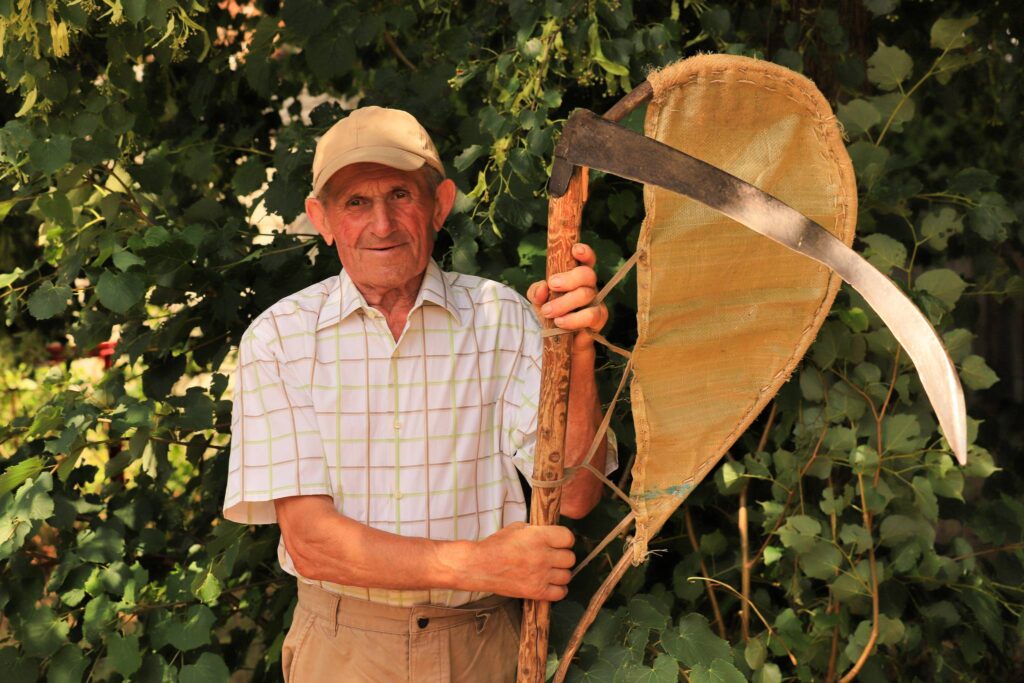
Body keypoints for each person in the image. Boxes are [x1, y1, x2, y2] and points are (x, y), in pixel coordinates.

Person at [222, 106, 614, 682]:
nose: (382, 224)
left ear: (440, 203)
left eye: (401, 195)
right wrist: (483, 564)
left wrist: (577, 350)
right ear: (321, 219)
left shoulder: (500, 317)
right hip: (343, 653)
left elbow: (577, 494)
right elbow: (312, 545)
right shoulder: (280, 338)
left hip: (485, 648)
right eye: (355, 202)